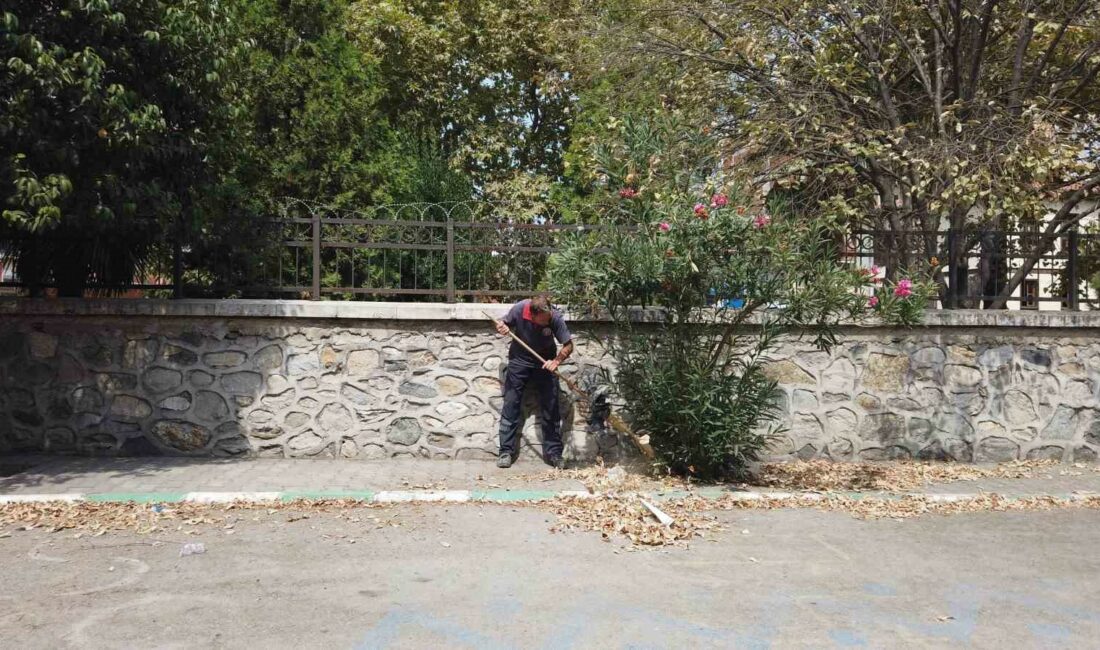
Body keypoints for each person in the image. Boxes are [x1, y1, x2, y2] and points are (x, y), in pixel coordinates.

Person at [493, 294, 574, 469]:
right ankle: (505, 452)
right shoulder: (520, 309)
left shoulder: (554, 317)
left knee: (551, 408)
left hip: (546, 364)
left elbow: (568, 345)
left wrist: (556, 361)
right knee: (511, 405)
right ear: (532, 314)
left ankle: (554, 454)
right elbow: (503, 323)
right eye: (543, 321)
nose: (546, 323)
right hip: (519, 362)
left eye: (548, 320)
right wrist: (502, 327)